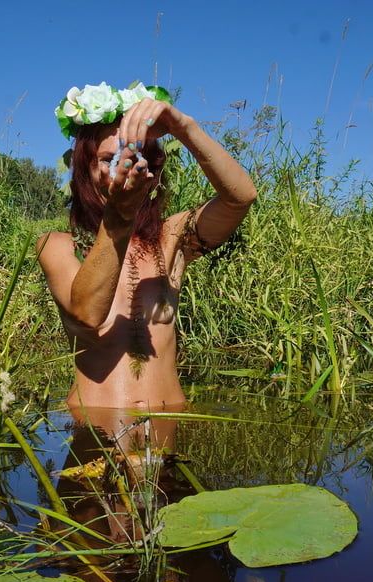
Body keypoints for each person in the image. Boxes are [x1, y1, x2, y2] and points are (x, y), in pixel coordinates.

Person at [37, 82, 256, 411]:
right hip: (95, 430)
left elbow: (240, 198)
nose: (119, 170)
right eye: (108, 159)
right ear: (86, 168)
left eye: (130, 159)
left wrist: (184, 128)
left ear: (151, 172)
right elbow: (88, 315)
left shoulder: (171, 239)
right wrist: (118, 217)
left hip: (166, 427)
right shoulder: (58, 246)